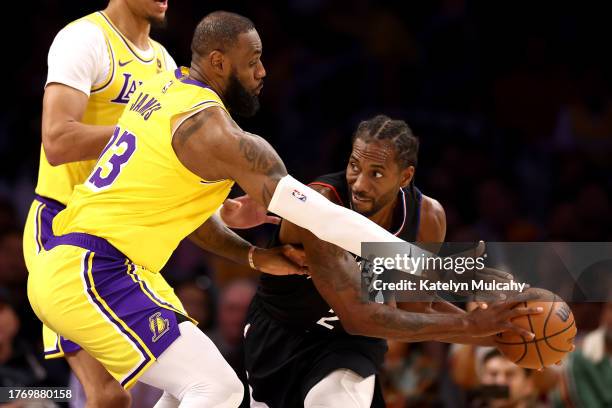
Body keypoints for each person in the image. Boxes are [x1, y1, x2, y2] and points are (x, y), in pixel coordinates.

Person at [27, 11, 539, 407]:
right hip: (93, 268)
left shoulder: (164, 91)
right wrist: (462, 276)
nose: (263, 72)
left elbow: (188, 219)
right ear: (220, 61)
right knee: (215, 390)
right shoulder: (219, 133)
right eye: (253, 61)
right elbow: (327, 219)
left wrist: (252, 254)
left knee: (193, 390)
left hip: (98, 265)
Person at [22, 2, 287, 406]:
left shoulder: (164, 63)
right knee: (110, 396)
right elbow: (57, 140)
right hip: (65, 229)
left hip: (123, 247)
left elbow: (161, 173)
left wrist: (226, 213)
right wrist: (150, 127)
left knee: (188, 382)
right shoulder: (85, 39)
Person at [244, 115, 541, 407]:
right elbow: (357, 315)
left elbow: (419, 309)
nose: (359, 184)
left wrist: (500, 335)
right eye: (354, 166)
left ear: (405, 176)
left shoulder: (426, 217)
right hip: (283, 331)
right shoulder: (320, 202)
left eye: (376, 173)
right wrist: (470, 325)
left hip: (348, 344)